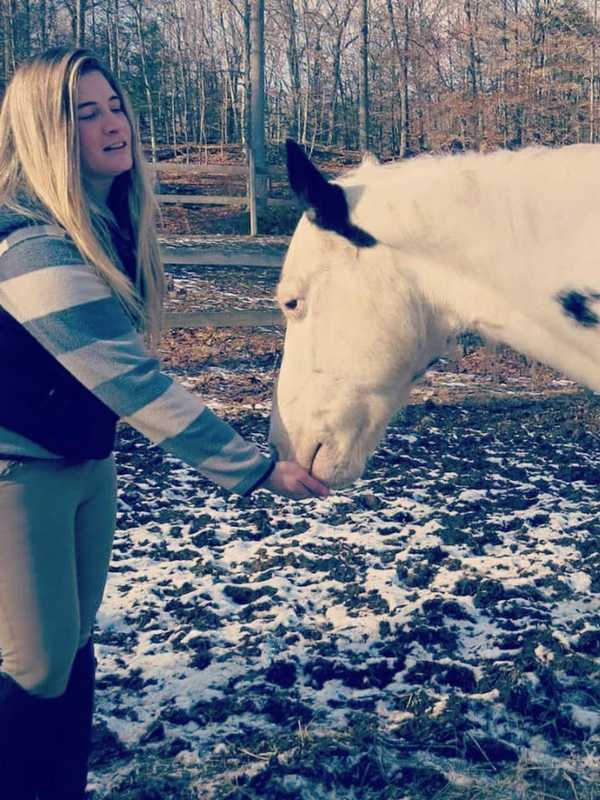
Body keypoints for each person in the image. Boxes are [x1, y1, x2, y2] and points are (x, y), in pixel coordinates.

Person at [0, 47, 329, 799]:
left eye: (114, 105)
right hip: (16, 474)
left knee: (74, 649)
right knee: (36, 663)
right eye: (85, 114)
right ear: (44, 133)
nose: (113, 123)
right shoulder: (29, 243)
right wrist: (252, 468)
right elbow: (130, 382)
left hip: (85, 464)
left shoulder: (102, 223)